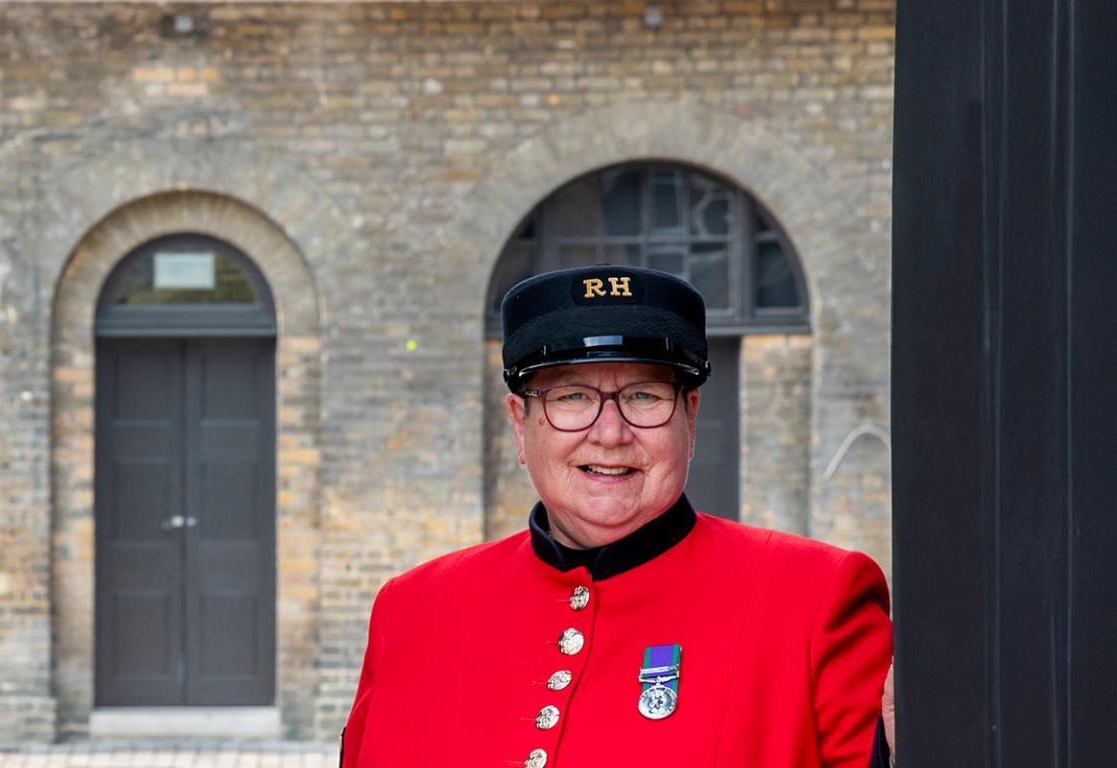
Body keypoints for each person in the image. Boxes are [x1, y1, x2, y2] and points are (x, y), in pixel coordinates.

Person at [340, 265, 891, 768]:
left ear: (690, 419)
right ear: (519, 424)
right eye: (573, 397)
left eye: (644, 396)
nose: (610, 433)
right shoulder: (410, 611)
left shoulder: (814, 599)